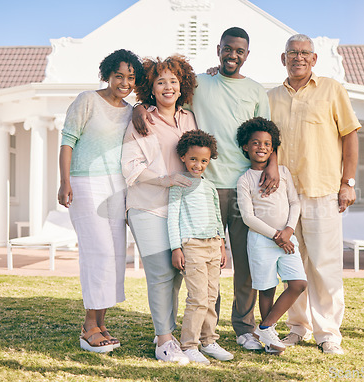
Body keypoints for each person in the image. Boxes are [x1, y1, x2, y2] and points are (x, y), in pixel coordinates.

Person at [133, 27, 277, 351]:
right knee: (209, 262)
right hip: (204, 187)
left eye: (239, 51)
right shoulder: (200, 83)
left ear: (247, 54)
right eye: (228, 49)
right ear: (218, 49)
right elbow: (165, 96)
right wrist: (139, 107)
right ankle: (208, 334)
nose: (233, 55)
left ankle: (243, 327)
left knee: (243, 261)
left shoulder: (256, 90)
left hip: (243, 187)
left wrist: (273, 164)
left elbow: (266, 134)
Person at [268, 34, 361, 355]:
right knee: (292, 266)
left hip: (322, 192)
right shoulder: (270, 97)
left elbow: (350, 136)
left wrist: (348, 182)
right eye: (292, 53)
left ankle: (328, 333)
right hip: (282, 197)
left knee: (324, 264)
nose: (299, 58)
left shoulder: (332, 90)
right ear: (283, 59)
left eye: (305, 53)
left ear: (314, 58)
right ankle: (298, 327)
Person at [58, 49, 144, 353]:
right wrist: (64, 181)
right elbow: (68, 141)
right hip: (85, 182)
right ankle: (88, 327)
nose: (124, 82)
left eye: (131, 77)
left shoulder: (131, 109)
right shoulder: (87, 100)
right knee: (99, 253)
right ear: (107, 74)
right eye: (119, 75)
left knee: (115, 255)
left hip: (116, 187)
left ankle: (101, 322)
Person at [121, 55, 198, 364]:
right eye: (161, 82)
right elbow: (130, 168)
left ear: (182, 87)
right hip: (146, 205)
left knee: (177, 273)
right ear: (151, 88)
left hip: (179, 209)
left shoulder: (189, 118)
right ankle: (165, 342)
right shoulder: (142, 119)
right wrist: (166, 180)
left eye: (173, 82)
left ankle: (164, 331)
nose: (168, 87)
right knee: (160, 273)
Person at [236, 117, 307, 354]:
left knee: (298, 283)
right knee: (267, 289)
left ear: (273, 147)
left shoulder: (283, 172)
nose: (262, 147)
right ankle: (270, 339)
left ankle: (265, 326)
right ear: (246, 146)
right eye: (255, 143)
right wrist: (276, 235)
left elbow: (294, 203)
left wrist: (288, 230)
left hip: (287, 238)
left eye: (267, 143)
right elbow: (248, 217)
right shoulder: (245, 180)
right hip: (260, 241)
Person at [168, 130, 234, 365]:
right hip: (192, 246)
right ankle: (189, 344)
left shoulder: (210, 186)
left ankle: (209, 340)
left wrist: (222, 244)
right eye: (193, 159)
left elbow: (217, 217)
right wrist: (176, 247)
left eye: (204, 160)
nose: (198, 164)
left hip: (213, 246)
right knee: (197, 297)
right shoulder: (179, 184)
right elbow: (172, 217)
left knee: (211, 295)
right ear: (183, 157)